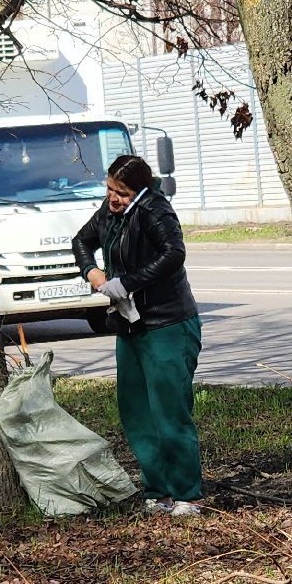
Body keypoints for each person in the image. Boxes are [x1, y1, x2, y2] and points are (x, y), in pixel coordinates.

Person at [71, 154, 205, 516]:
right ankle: (157, 491)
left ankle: (186, 495)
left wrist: (126, 282)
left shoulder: (154, 210)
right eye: (111, 189)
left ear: (141, 189)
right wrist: (94, 274)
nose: (114, 199)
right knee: (136, 410)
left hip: (167, 323)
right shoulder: (111, 210)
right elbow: (81, 241)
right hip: (129, 325)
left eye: (123, 193)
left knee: (169, 410)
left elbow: (173, 254)